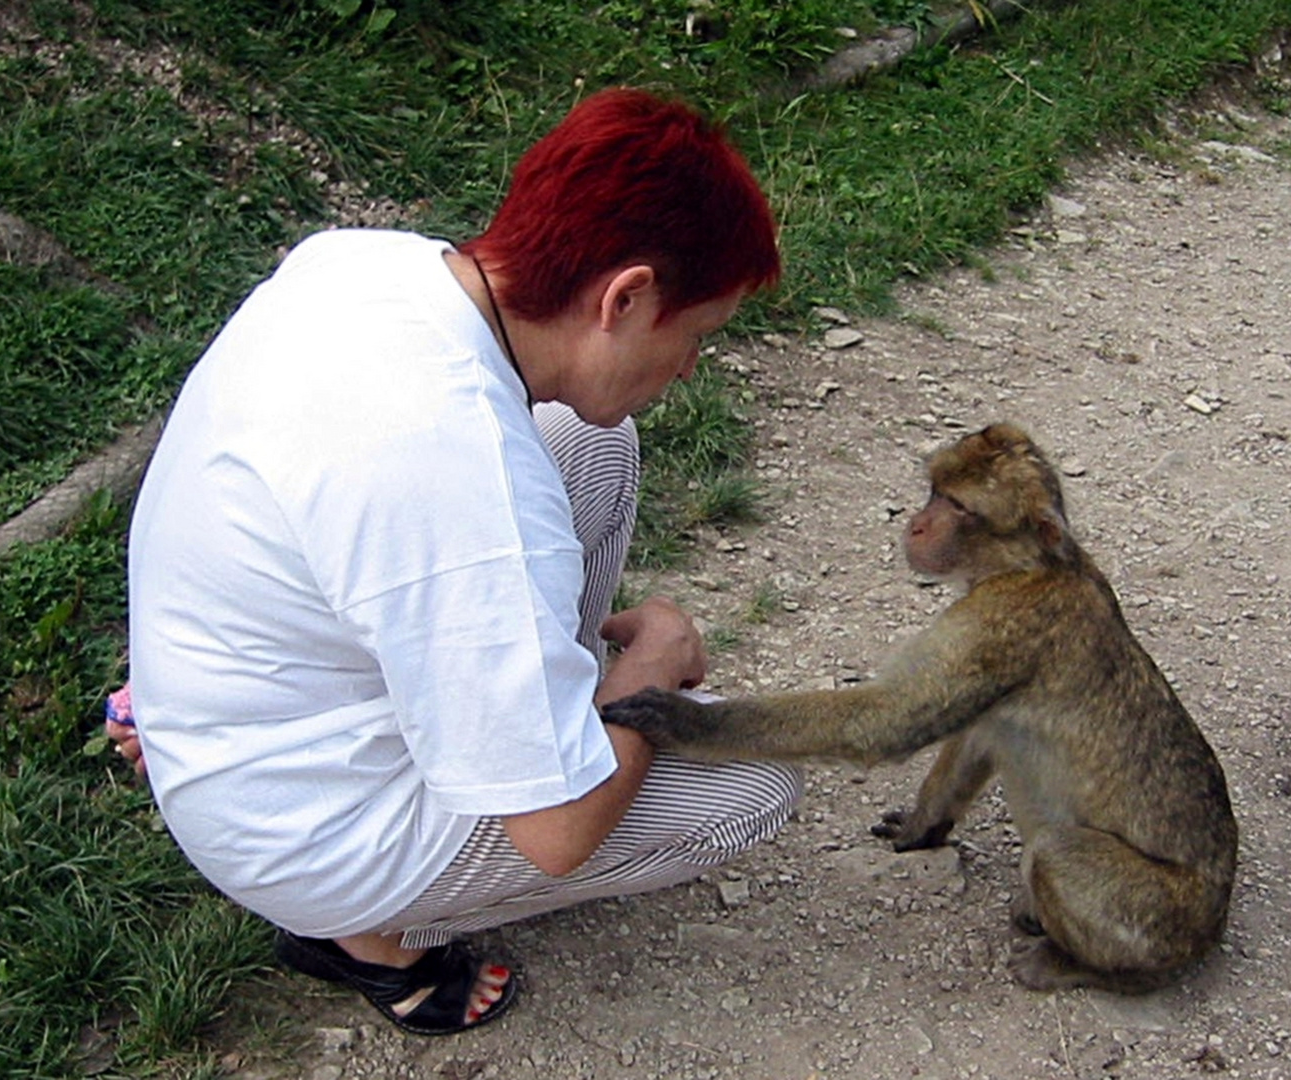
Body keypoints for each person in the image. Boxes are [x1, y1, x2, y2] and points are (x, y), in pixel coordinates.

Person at [108, 87, 802, 1037]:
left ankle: (527, 726)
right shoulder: (468, 492)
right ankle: (365, 932)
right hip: (291, 831)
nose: (688, 368)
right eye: (697, 335)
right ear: (626, 297)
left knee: (593, 443)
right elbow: (557, 843)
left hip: (218, 694)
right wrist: (654, 671)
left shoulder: (359, 264)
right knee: (755, 781)